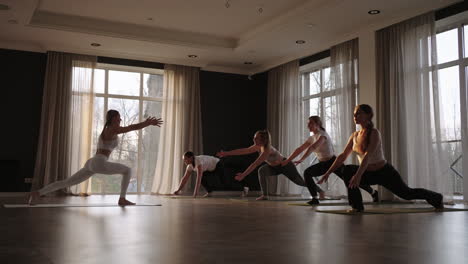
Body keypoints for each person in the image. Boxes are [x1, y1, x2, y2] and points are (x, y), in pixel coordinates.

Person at [318, 104, 443, 212]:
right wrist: (328, 173)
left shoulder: (374, 133)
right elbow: (342, 156)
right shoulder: (354, 136)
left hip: (384, 172)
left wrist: (358, 175)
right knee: (346, 170)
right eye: (354, 114)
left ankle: (436, 197)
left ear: (368, 115)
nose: (355, 116)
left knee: (407, 194)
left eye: (358, 114)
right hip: (368, 173)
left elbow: (368, 156)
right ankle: (357, 206)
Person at [28, 110, 163, 206]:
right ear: (112, 119)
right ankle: (122, 199)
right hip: (99, 162)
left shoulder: (108, 129)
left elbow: (128, 128)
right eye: (118, 117)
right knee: (128, 170)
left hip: (92, 162)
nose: (120, 119)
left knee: (67, 182)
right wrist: (147, 123)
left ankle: (38, 193)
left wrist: (146, 123)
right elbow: (130, 128)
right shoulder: (111, 129)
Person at [281, 116, 378, 205]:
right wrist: (288, 160)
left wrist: (302, 159)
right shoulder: (312, 138)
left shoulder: (323, 135)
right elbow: (300, 149)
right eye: (308, 123)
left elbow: (313, 147)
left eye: (310, 123)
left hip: (333, 162)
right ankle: (315, 198)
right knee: (307, 173)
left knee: (350, 180)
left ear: (317, 124)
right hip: (323, 164)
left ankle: (373, 192)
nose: (308, 125)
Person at [217, 130, 306, 200]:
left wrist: (243, 175)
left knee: (300, 182)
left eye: (256, 138)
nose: (254, 140)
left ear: (263, 140)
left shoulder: (267, 150)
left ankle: (319, 191)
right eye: (254, 138)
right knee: (262, 170)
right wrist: (226, 153)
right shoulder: (258, 146)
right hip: (274, 167)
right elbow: (243, 151)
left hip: (285, 165)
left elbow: (255, 164)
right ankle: (265, 195)